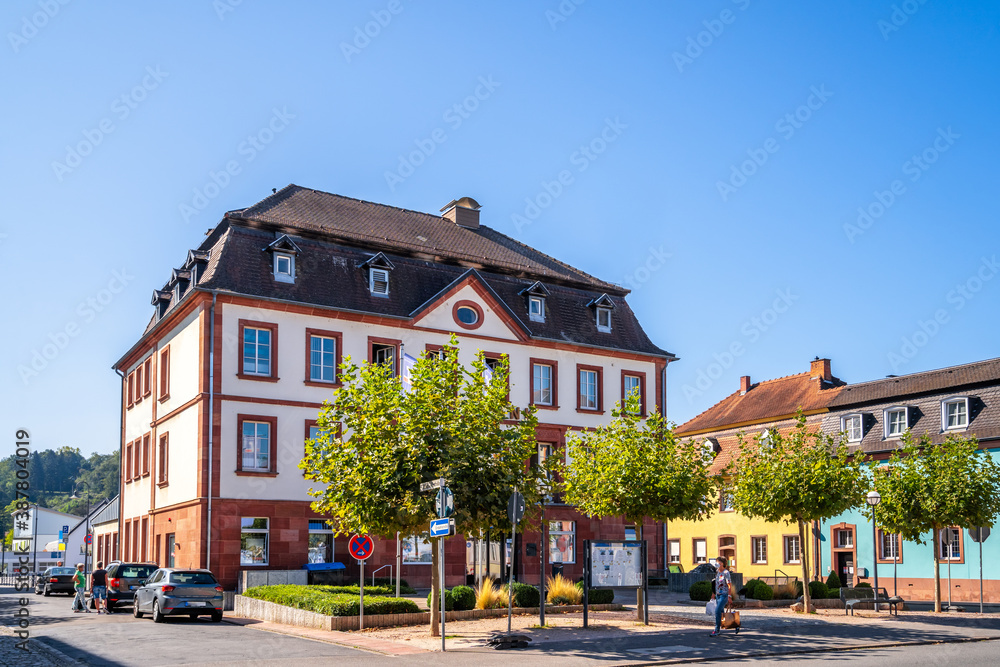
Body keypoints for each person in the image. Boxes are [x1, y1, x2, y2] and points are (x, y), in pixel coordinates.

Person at [710, 556, 731, 636]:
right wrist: (713, 593)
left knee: (717, 611)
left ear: (723, 563)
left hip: (724, 595)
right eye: (717, 562)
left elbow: (729, 585)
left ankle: (717, 629)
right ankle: (733, 624)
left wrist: (729, 596)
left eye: (719, 562)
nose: (717, 563)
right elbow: (716, 583)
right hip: (718, 595)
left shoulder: (726, 573)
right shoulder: (717, 572)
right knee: (722, 613)